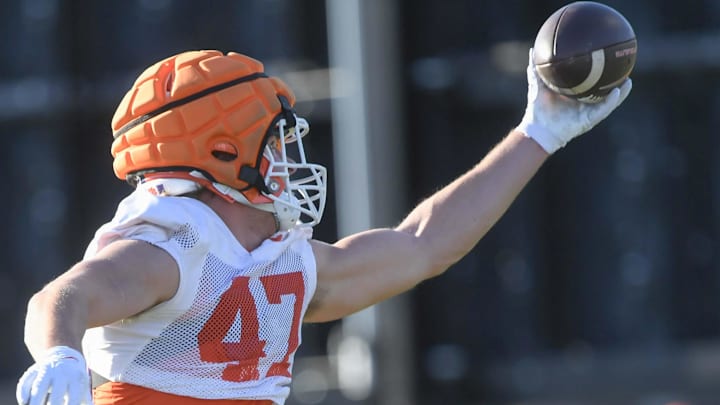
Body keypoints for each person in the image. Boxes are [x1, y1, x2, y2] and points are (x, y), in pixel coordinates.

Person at [16, 48, 632, 405]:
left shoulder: (276, 258)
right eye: (275, 141)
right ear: (224, 154)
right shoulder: (173, 245)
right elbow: (64, 295)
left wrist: (539, 134)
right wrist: (59, 354)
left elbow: (423, 244)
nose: (289, 158)